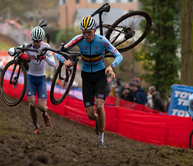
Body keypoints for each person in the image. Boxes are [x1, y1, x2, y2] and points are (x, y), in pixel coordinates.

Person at [56, 16, 123, 149]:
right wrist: (65, 61)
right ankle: (98, 120)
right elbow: (59, 52)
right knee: (91, 114)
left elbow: (119, 55)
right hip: (86, 77)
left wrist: (111, 66)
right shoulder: (78, 39)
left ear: (95, 30)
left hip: (100, 75)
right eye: (83, 32)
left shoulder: (102, 40)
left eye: (89, 32)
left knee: (99, 105)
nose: (86, 35)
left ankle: (101, 139)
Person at [8, 26, 56, 134]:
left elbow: (53, 63)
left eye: (38, 41)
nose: (36, 43)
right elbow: (11, 50)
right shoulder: (27, 46)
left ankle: (44, 114)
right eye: (34, 40)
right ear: (31, 38)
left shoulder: (46, 47)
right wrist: (21, 54)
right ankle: (36, 126)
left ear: (42, 40)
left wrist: (45, 57)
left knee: (42, 107)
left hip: (41, 79)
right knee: (32, 104)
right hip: (30, 78)